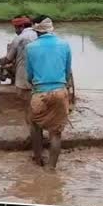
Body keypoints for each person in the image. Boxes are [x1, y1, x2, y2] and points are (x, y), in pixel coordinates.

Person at [25, 17, 72, 169]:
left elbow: (29, 75)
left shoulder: (31, 47)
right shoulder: (64, 44)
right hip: (60, 91)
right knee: (56, 132)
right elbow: (67, 72)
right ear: (51, 30)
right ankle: (51, 168)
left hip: (40, 92)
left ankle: (38, 158)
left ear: (37, 32)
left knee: (34, 124)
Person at [0, 16, 37, 89]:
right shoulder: (39, 35)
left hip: (24, 77)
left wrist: (1, 61)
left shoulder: (19, 38)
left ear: (22, 26)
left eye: (15, 28)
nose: (15, 31)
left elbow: (8, 59)